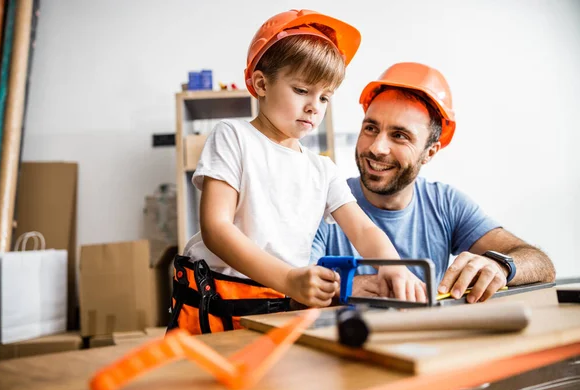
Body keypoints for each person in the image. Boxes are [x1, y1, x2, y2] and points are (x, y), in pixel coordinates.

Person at [168, 10, 411, 335]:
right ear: (261, 83)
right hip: (216, 303)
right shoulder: (234, 137)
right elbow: (216, 227)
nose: (315, 106)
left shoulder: (322, 169)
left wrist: (394, 268)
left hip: (280, 303)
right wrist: (287, 278)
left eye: (324, 97)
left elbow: (365, 232)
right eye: (301, 90)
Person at [311, 62, 556, 304]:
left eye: (399, 136)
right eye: (371, 128)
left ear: (430, 152)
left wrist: (500, 266)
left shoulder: (445, 204)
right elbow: (282, 289)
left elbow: (540, 263)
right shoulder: (324, 201)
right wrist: (341, 287)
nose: (377, 147)